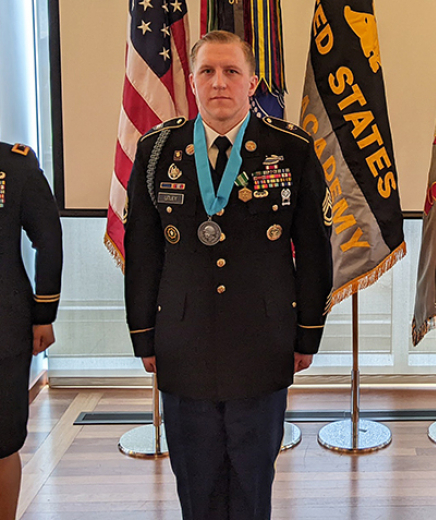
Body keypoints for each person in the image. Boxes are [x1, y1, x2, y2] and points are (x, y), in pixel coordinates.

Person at [124, 30, 332, 520]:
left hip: (262, 340)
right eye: (208, 72)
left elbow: (316, 253)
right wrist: (143, 336)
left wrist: (308, 334)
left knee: (253, 475)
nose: (219, 83)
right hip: (183, 340)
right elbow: (144, 251)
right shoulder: (158, 150)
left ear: (252, 81)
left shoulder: (293, 149)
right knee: (195, 482)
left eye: (231, 71)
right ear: (192, 82)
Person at [0, 142, 62, 520]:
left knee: (3, 442)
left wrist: (44, 312)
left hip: (4, 328)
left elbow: (48, 239)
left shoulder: (14, 165)